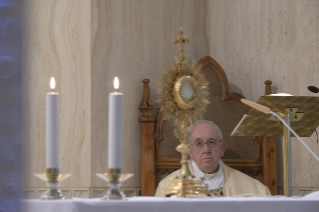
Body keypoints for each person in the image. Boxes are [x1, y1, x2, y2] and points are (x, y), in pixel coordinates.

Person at [155, 120, 271, 197]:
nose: (206, 150)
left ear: (222, 148)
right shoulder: (167, 189)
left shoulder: (255, 191)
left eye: (212, 142)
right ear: (190, 151)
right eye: (199, 144)